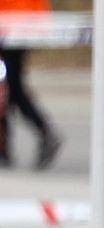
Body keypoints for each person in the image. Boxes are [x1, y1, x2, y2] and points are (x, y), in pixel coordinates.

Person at [0, 0, 62, 171]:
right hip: (19, 24)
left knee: (10, 88)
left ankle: (43, 132)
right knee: (10, 87)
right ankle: (5, 147)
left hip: (13, 26)